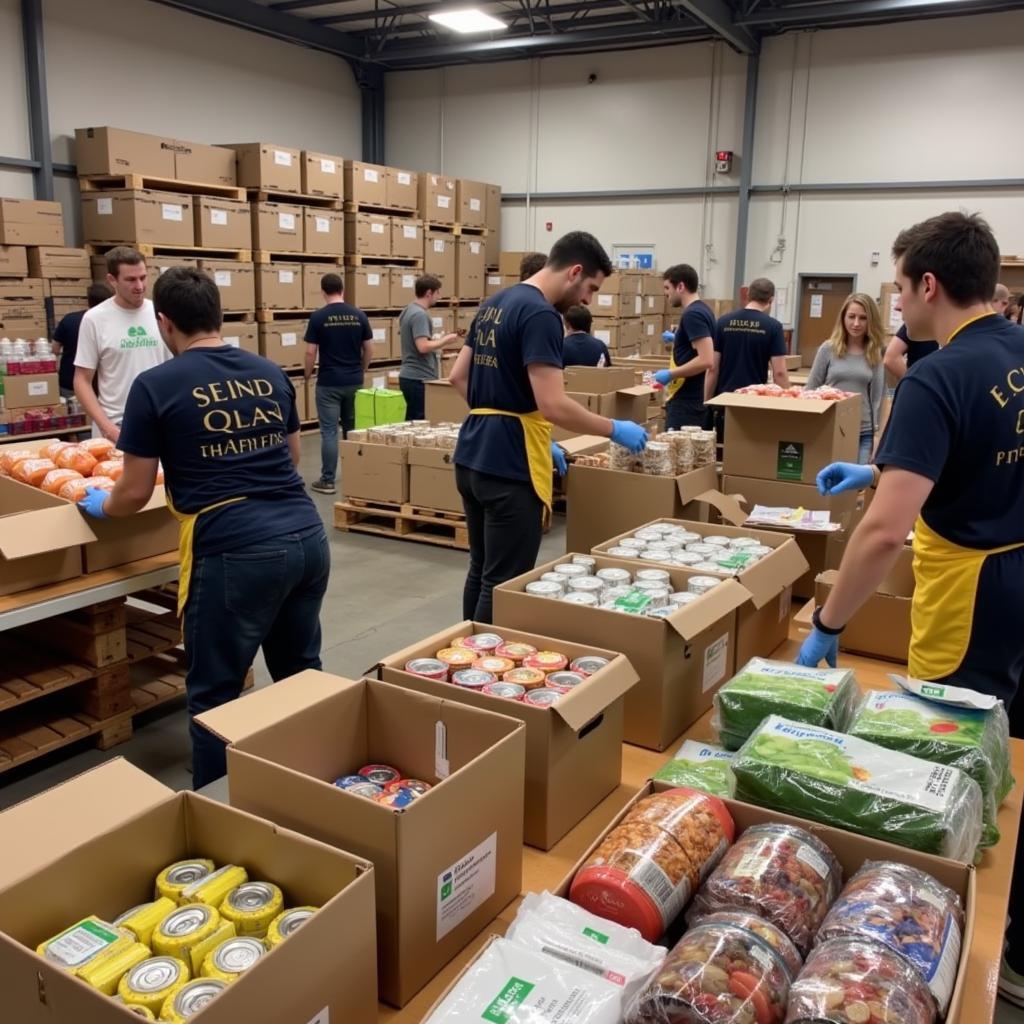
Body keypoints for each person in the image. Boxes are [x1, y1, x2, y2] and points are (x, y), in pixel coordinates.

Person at [793, 211, 1024, 1008]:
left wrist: (828, 627)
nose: (895, 305)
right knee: (1011, 762)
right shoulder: (1019, 349)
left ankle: (925, 953)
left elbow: (888, 534)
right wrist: (885, 467)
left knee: (949, 770)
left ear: (929, 285)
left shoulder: (936, 374)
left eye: (898, 288)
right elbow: (977, 453)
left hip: (973, 593)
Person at [77, 267, 328, 789]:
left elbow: (135, 490)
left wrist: (99, 505)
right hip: (307, 537)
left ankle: (215, 810)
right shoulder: (268, 371)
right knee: (302, 673)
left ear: (164, 322)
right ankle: (322, 780)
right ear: (219, 314)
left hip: (237, 551)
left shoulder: (156, 386)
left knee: (215, 693)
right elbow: (293, 455)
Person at [449, 231, 647, 622]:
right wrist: (613, 428)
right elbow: (553, 404)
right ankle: (484, 666)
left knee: (481, 567)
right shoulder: (540, 314)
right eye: (590, 287)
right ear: (574, 272)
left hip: (471, 454)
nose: (587, 300)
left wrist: (505, 416)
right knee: (503, 580)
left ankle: (463, 652)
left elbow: (458, 376)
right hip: (508, 464)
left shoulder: (495, 303)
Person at [74, 247, 171, 443]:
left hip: (161, 423)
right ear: (112, 280)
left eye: (143, 278)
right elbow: (82, 380)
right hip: (116, 427)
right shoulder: (95, 319)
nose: (139, 286)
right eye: (130, 280)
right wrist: (107, 428)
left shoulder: (162, 313)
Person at [304, 273, 374, 495]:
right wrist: (362, 368)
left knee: (329, 432)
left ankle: (327, 481)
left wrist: (307, 375)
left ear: (324, 292)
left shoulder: (318, 317)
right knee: (352, 429)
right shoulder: (359, 315)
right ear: (342, 290)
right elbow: (370, 347)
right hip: (354, 380)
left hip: (329, 382)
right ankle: (358, 477)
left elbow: (309, 352)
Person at [805, 293, 885, 463]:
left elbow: (878, 398)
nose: (856, 323)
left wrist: (877, 435)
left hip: (863, 433)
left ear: (870, 321)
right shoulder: (828, 349)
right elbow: (810, 389)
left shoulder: (875, 352)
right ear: (843, 318)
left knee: (857, 487)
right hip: (830, 429)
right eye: (851, 316)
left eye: (863, 318)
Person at [705, 278, 789, 439]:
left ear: (748, 295)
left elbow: (713, 367)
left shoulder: (723, 322)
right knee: (749, 454)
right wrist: (789, 403)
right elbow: (779, 373)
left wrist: (707, 402)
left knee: (723, 453)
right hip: (753, 403)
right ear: (771, 300)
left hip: (725, 402)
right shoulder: (773, 326)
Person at [653, 264, 715, 429]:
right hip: (693, 399)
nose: (666, 293)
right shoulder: (703, 310)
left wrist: (671, 374)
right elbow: (699, 348)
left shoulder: (692, 315)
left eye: (667, 288)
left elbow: (707, 359)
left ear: (680, 286)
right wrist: (678, 339)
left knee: (677, 453)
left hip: (687, 401)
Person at [397, 274, 461, 422]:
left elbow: (416, 340)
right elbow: (423, 346)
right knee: (421, 423)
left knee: (411, 422)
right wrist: (446, 340)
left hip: (409, 376)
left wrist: (434, 340)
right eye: (438, 292)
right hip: (419, 377)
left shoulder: (408, 310)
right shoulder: (420, 315)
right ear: (429, 293)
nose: (439, 296)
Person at [52, 282, 112, 398]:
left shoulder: (69, 320)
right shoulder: (112, 323)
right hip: (101, 385)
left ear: (88, 301)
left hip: (69, 382)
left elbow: (54, 349)